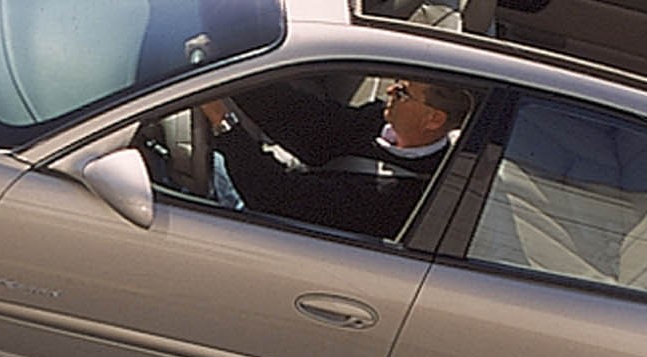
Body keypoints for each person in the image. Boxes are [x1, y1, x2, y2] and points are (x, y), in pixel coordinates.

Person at [197, 76, 472, 239]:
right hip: (288, 187)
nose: (390, 91)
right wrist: (242, 78)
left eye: (402, 92)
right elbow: (312, 124)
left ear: (433, 119)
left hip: (275, 222)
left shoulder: (391, 197)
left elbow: (274, 196)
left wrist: (223, 120)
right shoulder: (383, 123)